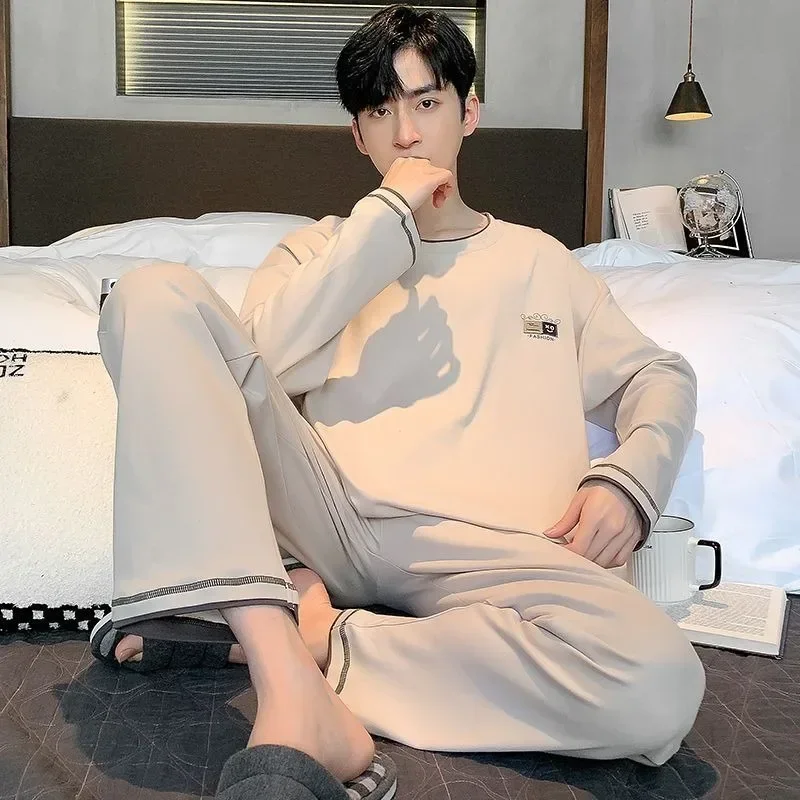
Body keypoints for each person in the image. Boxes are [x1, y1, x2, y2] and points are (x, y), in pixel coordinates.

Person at [91, 3, 706, 794]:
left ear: (468, 112)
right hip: (330, 522)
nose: (407, 134)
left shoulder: (540, 261)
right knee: (149, 297)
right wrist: (384, 224)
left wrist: (628, 479)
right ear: (359, 135)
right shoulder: (318, 250)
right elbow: (252, 371)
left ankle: (319, 640)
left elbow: (658, 376)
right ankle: (285, 672)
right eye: (381, 112)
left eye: (426, 102)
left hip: (497, 554)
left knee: (659, 684)